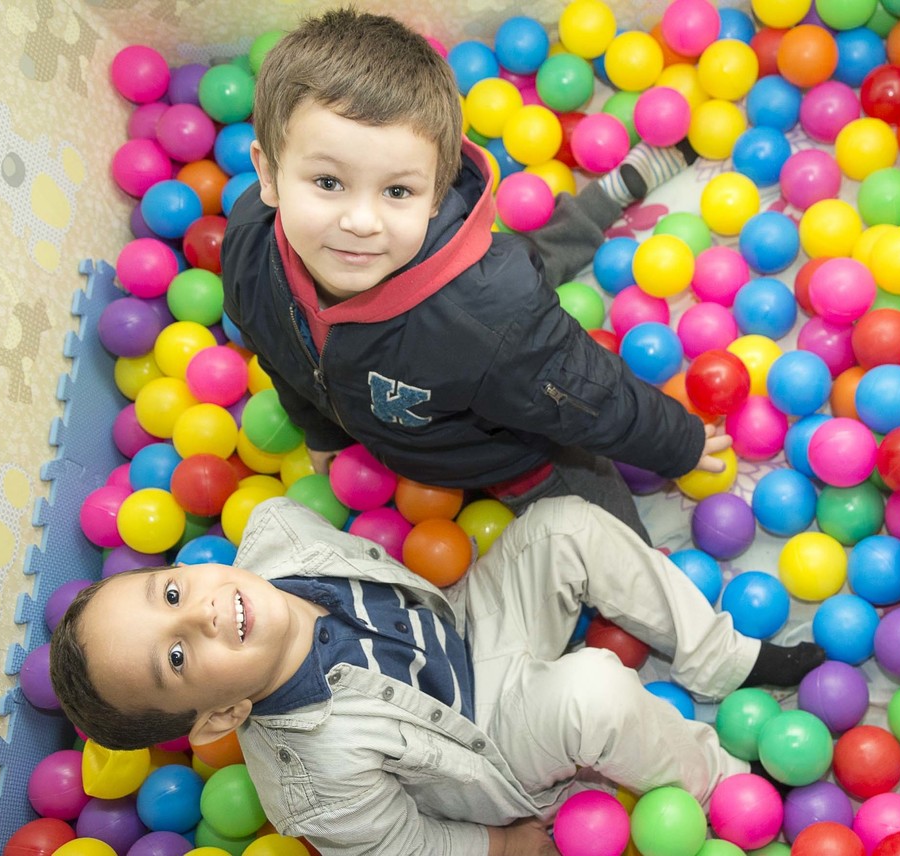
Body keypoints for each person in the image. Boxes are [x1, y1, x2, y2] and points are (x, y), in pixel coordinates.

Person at [50, 495, 825, 856]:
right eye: (177, 658)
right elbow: (405, 845)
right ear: (220, 719)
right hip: (482, 741)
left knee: (564, 525)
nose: (203, 614)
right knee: (594, 692)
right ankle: (727, 786)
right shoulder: (314, 781)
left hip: (467, 627)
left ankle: (722, 658)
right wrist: (503, 845)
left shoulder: (279, 529)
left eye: (172, 593)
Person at [222, 8, 731, 544]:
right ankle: (604, 197)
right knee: (504, 287)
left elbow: (588, 393)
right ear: (268, 175)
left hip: (513, 456)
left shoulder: (491, 313)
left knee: (615, 556)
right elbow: (284, 360)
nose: (361, 222)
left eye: (397, 191)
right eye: (328, 182)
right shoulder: (249, 251)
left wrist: (679, 443)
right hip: (436, 389)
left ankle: (609, 195)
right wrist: (321, 429)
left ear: (435, 196)